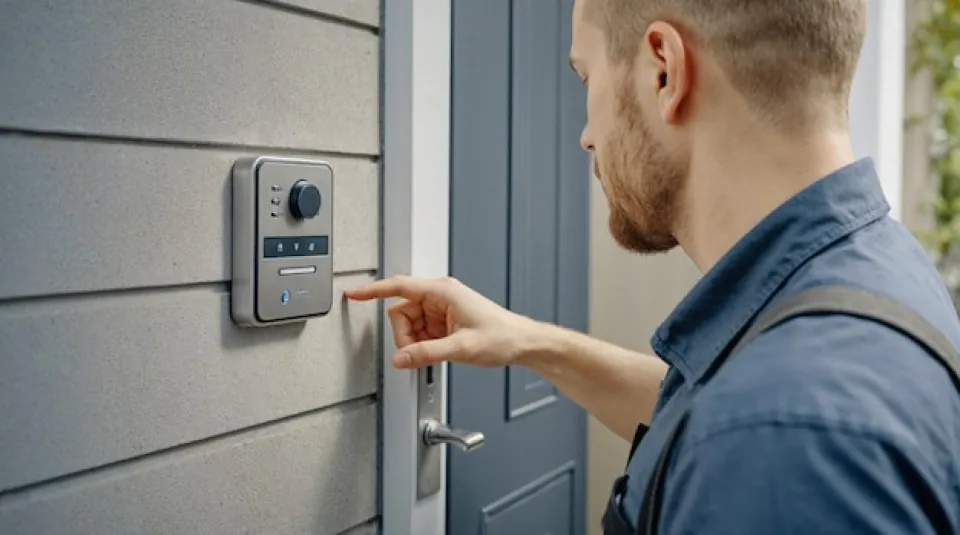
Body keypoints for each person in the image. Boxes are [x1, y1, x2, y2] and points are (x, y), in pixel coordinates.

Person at [347, 0, 960, 533]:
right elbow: (698, 407)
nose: (587, 135)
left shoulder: (779, 438)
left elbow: (749, 423)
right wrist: (526, 341)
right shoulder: (868, 268)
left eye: (585, 78)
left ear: (663, 70)